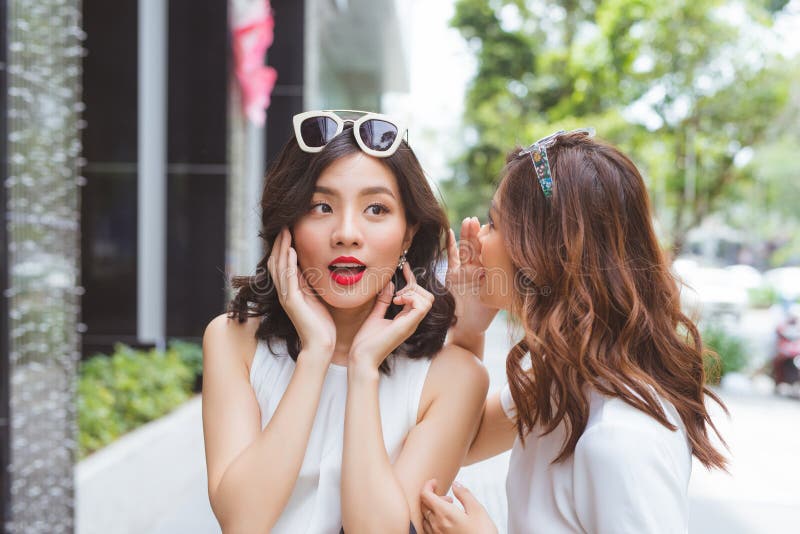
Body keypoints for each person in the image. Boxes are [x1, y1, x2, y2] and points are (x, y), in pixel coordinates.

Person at [421, 129, 728, 534]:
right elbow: (463, 441)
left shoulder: (620, 438)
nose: (477, 237)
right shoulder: (564, 379)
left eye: (494, 222)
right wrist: (469, 331)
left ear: (542, 251)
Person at [201, 110, 488, 534]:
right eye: (321, 206)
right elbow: (242, 523)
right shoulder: (233, 340)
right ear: (288, 228)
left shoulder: (454, 378)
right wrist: (315, 353)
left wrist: (363, 369)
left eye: (376, 208)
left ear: (408, 233)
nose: (347, 233)